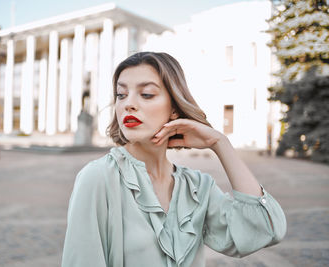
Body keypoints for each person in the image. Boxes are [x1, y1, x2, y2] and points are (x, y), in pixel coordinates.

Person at [61, 52, 286, 267]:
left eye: (146, 94)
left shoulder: (197, 187)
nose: (128, 104)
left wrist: (220, 144)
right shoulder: (99, 178)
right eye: (121, 94)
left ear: (174, 110)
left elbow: (264, 229)